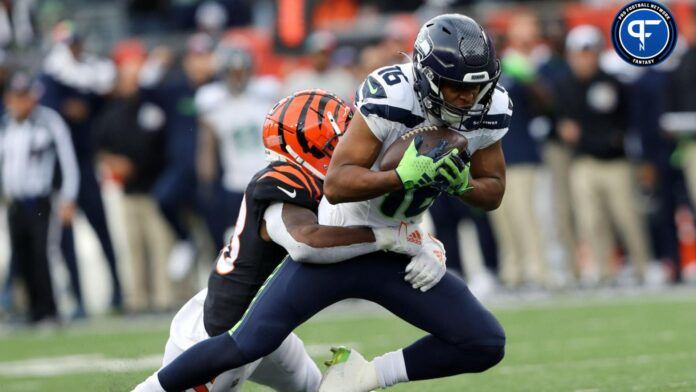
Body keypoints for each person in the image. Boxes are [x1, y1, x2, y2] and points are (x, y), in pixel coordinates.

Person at [135, 13, 509, 392]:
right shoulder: (391, 95)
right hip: (343, 243)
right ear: (426, 77)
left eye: (476, 88)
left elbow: (493, 191)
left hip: (398, 251)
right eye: (454, 86)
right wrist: (400, 179)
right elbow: (337, 184)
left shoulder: (490, 108)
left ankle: (365, 375)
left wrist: (460, 185)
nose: (467, 97)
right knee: (246, 344)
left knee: (484, 341)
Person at [135, 89, 427, 391]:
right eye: (339, 139)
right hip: (223, 335)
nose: (353, 147)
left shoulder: (320, 183)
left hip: (263, 324)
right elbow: (305, 243)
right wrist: (385, 238)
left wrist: (425, 244)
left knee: (317, 389)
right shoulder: (283, 182)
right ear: (311, 145)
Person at [0, 72, 79, 324]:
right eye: (17, 97)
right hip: (15, 201)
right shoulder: (4, 126)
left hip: (41, 200)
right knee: (22, 255)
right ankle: (34, 311)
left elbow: (68, 160)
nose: (22, 103)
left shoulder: (48, 121)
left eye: (26, 97)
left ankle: (53, 309)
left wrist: (68, 196)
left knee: (44, 253)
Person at [195, 41, 278, 250]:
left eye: (241, 71)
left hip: (265, 180)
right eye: (233, 72)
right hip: (235, 185)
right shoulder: (214, 104)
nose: (238, 77)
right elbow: (207, 148)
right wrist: (206, 183)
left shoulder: (265, 96)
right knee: (239, 245)